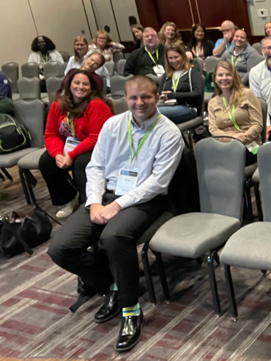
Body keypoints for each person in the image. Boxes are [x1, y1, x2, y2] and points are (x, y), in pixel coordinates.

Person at [47, 75, 183, 353]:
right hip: (106, 195)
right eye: (133, 97)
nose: (139, 102)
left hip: (147, 200)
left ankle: (131, 310)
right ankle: (112, 286)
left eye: (145, 96)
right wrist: (95, 202)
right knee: (60, 248)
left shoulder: (168, 133)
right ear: (126, 99)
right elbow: (95, 167)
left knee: (114, 237)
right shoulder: (113, 125)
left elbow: (158, 183)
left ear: (157, 97)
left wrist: (117, 206)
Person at [40, 70, 113, 219]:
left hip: (97, 147)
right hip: (70, 147)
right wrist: (58, 154)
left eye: (85, 84)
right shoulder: (57, 105)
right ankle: (67, 199)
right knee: (47, 161)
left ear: (91, 88)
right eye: (77, 83)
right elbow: (50, 134)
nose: (80, 87)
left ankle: (89, 203)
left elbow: (95, 137)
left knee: (82, 163)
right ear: (69, 85)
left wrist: (71, 156)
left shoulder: (96, 105)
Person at [208, 62, 262, 165]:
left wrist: (244, 137)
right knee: (206, 158)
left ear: (234, 77)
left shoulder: (247, 94)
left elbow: (257, 125)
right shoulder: (212, 102)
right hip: (224, 145)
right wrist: (233, 138)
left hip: (251, 145)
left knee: (229, 160)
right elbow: (213, 129)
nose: (224, 78)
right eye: (220, 75)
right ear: (215, 79)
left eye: (228, 74)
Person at [158, 44, 204, 124]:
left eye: (176, 57)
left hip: (188, 107)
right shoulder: (167, 75)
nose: (174, 61)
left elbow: (198, 93)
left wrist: (173, 95)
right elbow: (159, 93)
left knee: (153, 114)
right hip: (168, 106)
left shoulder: (192, 71)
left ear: (182, 56)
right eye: (170, 58)